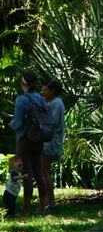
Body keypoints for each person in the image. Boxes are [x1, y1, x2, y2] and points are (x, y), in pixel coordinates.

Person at [9, 71, 49, 216]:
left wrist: (11, 125)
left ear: (23, 84)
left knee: (26, 173)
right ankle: (43, 206)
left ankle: (25, 209)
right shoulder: (41, 98)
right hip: (38, 139)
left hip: (24, 140)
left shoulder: (21, 100)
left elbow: (18, 122)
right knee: (39, 172)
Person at [41, 80, 66, 211]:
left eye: (45, 90)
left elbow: (52, 122)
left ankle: (50, 202)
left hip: (50, 142)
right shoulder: (52, 103)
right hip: (47, 140)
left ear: (52, 91)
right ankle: (49, 202)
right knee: (43, 171)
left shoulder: (57, 103)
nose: (43, 92)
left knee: (44, 171)